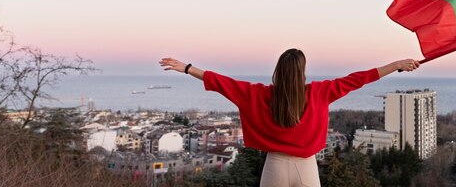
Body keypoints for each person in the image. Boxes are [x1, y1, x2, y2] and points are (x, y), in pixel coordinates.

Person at [159, 49, 420, 187]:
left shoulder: (258, 95)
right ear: (302, 72)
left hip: (274, 167)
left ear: (278, 72)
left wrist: (188, 68)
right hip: (306, 168)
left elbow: (221, 82)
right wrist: (396, 64)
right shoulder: (319, 93)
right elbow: (358, 79)